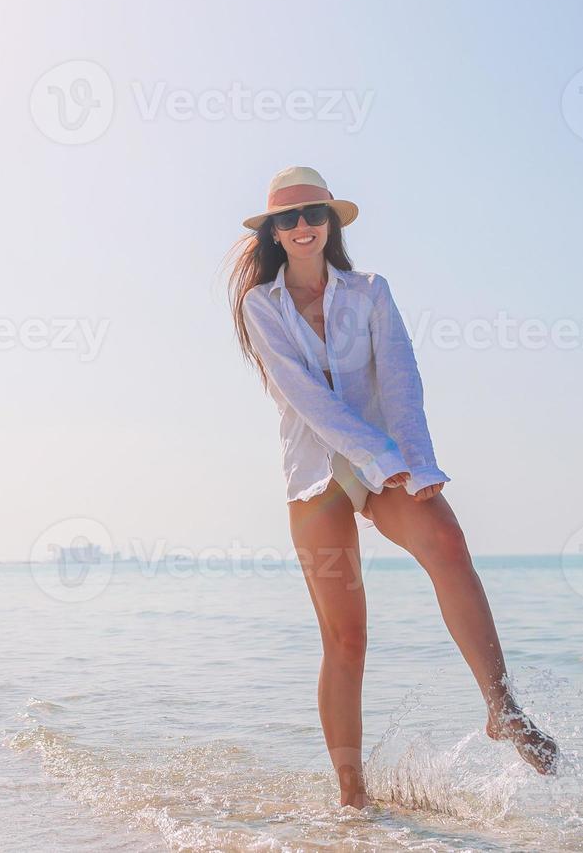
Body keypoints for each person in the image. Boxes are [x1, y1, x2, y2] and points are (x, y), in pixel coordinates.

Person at [227, 166, 558, 808]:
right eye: (287, 218)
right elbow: (306, 398)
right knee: (346, 639)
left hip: (389, 465)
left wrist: (419, 464)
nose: (301, 226)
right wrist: (380, 456)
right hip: (317, 477)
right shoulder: (259, 306)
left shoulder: (372, 291)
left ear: (331, 223)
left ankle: (502, 707)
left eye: (312, 214)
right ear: (272, 232)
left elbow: (403, 383)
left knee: (449, 543)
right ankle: (354, 798)